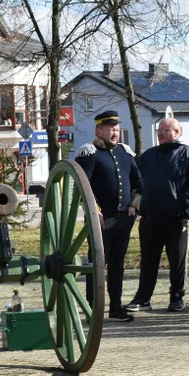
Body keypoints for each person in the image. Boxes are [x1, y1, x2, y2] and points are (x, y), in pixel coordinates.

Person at [126, 118, 189, 312]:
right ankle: (143, 299)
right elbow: (136, 182)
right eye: (159, 130)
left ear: (177, 132)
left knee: (177, 261)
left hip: (177, 218)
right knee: (148, 261)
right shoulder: (148, 156)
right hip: (150, 218)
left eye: (166, 130)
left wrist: (181, 203)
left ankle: (177, 297)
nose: (161, 133)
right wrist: (137, 204)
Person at [74, 110, 142, 322]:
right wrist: (95, 212)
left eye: (116, 129)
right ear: (99, 131)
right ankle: (93, 309)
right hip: (100, 221)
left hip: (123, 219)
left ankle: (115, 307)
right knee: (96, 264)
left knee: (117, 264)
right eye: (110, 130)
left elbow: (139, 185)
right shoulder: (89, 153)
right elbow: (81, 188)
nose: (114, 133)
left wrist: (133, 205)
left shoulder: (125, 153)